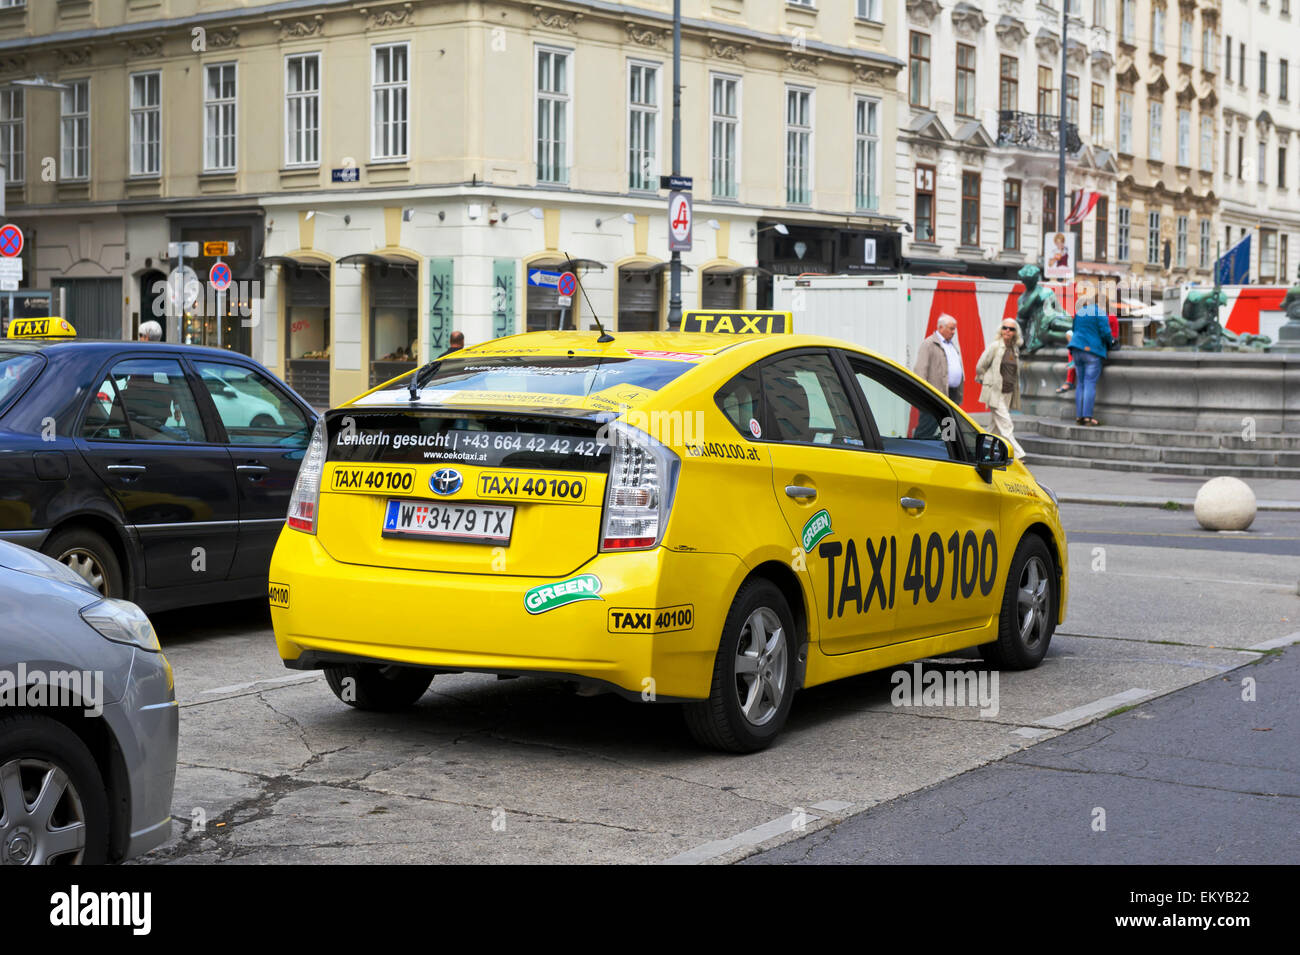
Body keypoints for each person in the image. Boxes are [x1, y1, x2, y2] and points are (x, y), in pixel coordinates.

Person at [1069, 281, 1117, 426]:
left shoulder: (1080, 312)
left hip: (1076, 349)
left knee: (1081, 383)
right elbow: (1106, 333)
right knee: (1089, 383)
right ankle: (1088, 417)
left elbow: (1074, 329)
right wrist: (1111, 343)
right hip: (1092, 351)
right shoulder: (1100, 313)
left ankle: (1079, 416)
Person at [976, 319, 1026, 458]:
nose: (1007, 331)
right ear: (1001, 330)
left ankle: (983, 452)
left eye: (1011, 329)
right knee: (1006, 424)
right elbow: (980, 365)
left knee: (995, 428)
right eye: (1005, 328)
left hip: (1008, 392)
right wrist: (986, 381)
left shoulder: (1014, 349)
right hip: (995, 392)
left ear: (1016, 333)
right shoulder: (995, 346)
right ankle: (1018, 455)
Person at [914, 314, 964, 404]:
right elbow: (920, 370)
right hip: (934, 397)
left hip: (952, 394)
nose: (953, 332)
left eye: (954, 329)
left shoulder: (951, 345)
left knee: (947, 419)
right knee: (930, 418)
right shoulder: (929, 344)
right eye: (951, 329)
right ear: (941, 328)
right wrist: (924, 394)